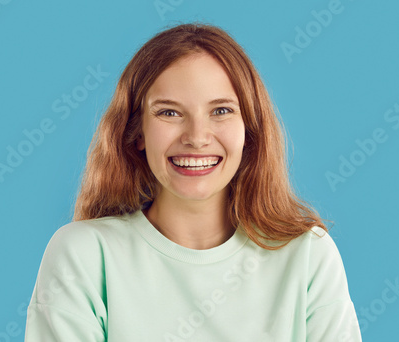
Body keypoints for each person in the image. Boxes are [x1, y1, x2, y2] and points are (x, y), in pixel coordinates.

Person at [24, 22, 362, 341]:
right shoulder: (83, 255)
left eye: (221, 111)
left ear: (250, 130)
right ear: (136, 131)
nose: (197, 137)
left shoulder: (307, 256)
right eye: (169, 112)